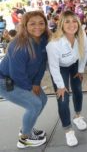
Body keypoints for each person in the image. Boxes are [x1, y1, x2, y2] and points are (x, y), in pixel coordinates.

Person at [0, 11, 49, 148]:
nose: (37, 27)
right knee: (34, 104)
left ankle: (27, 128)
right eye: (32, 23)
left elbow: (41, 65)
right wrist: (29, 88)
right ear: (25, 25)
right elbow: (17, 74)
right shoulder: (19, 45)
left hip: (24, 80)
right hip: (6, 83)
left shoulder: (43, 40)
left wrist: (36, 83)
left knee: (43, 100)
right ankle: (24, 139)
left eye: (41, 23)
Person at [46, 10, 87, 147]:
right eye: (68, 21)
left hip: (75, 64)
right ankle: (68, 130)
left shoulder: (82, 35)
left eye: (74, 21)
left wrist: (81, 70)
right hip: (60, 67)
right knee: (63, 97)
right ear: (62, 25)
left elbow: (84, 53)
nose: (72, 24)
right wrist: (60, 85)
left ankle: (77, 116)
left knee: (78, 90)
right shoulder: (54, 44)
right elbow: (53, 67)